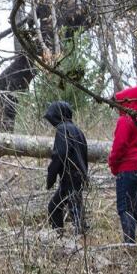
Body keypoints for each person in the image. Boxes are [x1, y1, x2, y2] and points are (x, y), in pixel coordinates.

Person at [108, 86, 137, 244]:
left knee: (125, 208)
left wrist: (113, 165)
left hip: (129, 170)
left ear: (125, 103)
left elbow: (119, 146)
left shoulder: (125, 120)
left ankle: (129, 245)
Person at [45, 100, 88, 234]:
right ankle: (62, 237)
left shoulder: (62, 129)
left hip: (71, 177)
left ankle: (68, 239)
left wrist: (50, 178)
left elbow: (59, 155)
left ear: (57, 115)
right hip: (77, 177)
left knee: (67, 209)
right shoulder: (78, 131)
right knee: (60, 207)